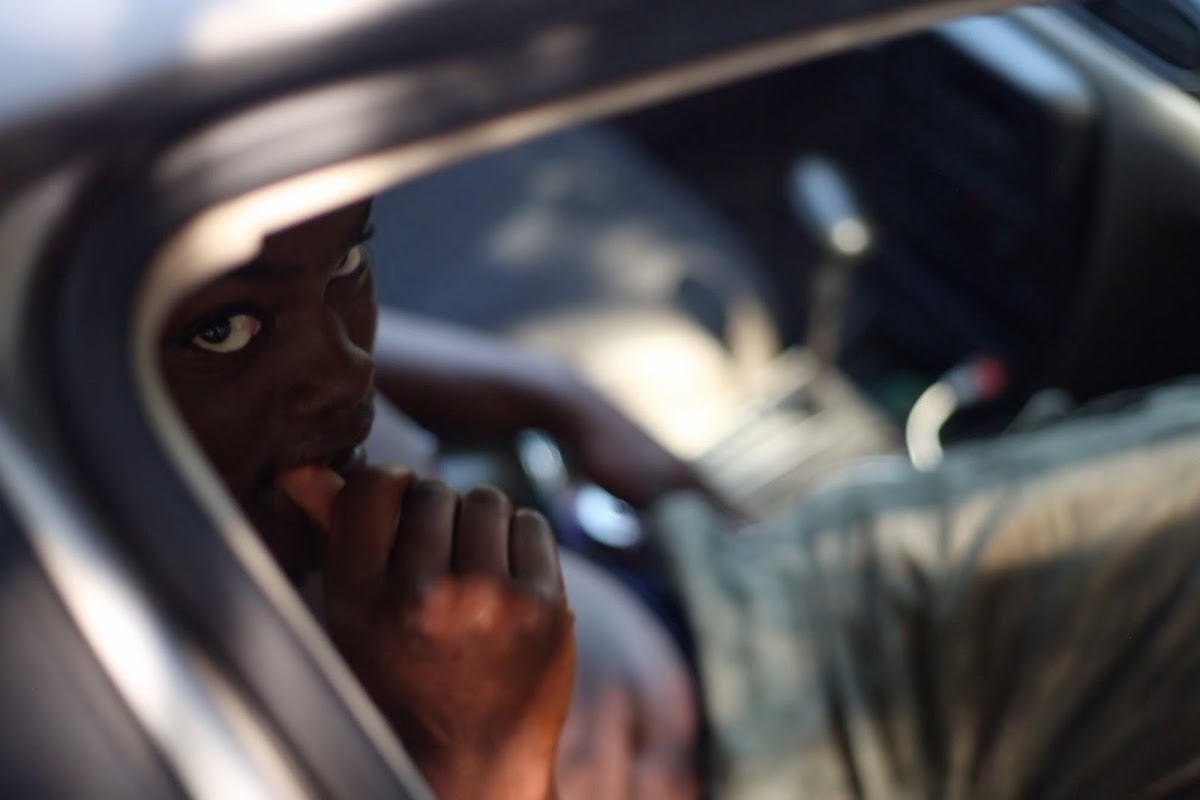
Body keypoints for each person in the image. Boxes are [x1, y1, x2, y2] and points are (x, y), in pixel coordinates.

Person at [161, 198, 1200, 799]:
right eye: (226, 330)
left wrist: (564, 398)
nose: (344, 372)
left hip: (751, 593)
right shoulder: (96, 683)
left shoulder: (234, 374)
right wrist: (478, 753)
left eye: (350, 258)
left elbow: (293, 285)